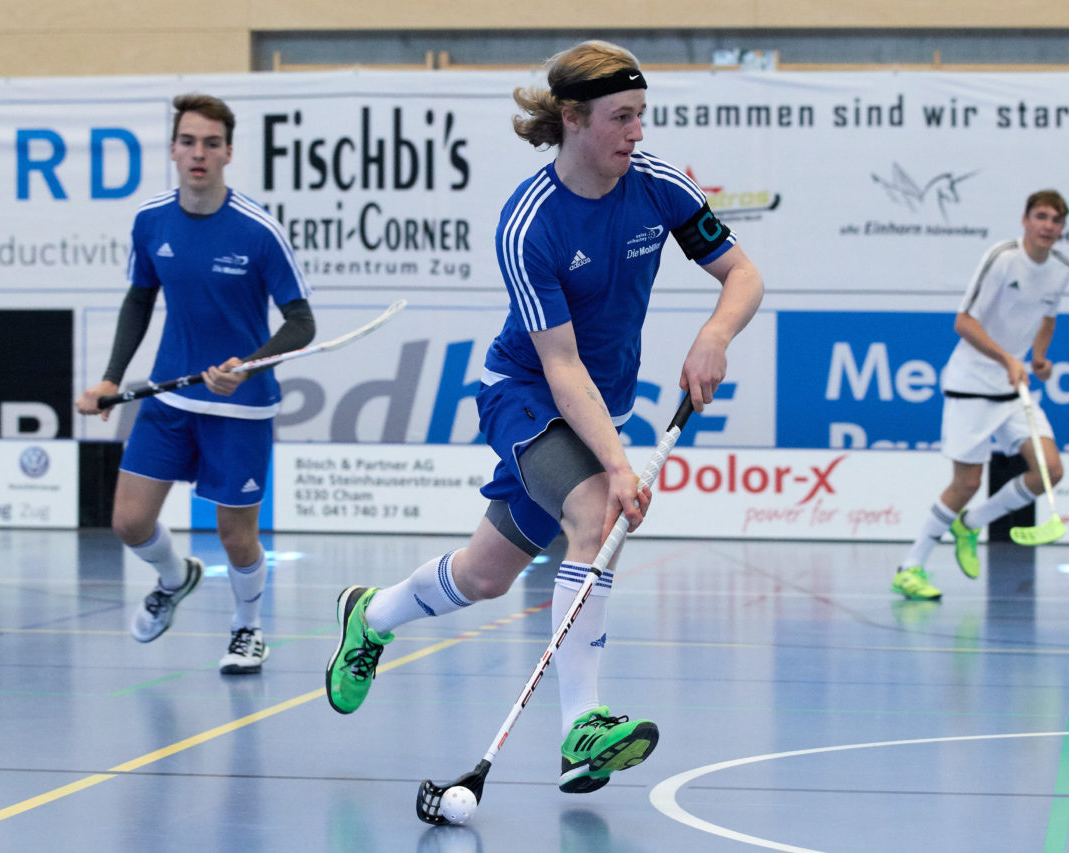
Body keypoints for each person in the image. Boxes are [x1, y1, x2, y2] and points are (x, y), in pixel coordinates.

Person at [325, 40, 763, 794]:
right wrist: (619, 465)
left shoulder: (657, 186)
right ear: (573, 117)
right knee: (599, 515)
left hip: (596, 404)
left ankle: (371, 615)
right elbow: (560, 367)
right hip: (525, 393)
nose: (637, 133)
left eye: (641, 116)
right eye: (621, 118)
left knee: (485, 575)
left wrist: (714, 334)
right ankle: (579, 730)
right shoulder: (530, 224)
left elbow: (743, 274)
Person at [76, 93, 314, 673]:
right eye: (188, 141)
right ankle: (174, 576)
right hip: (169, 396)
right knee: (129, 522)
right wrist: (110, 378)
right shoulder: (150, 219)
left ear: (228, 152)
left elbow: (301, 323)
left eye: (211, 143)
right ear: (174, 150)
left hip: (241, 406)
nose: (198, 153)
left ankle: (247, 628)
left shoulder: (259, 231)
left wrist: (249, 363)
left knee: (236, 537)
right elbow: (139, 298)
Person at [893, 189, 1069, 601]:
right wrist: (1009, 358)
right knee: (967, 483)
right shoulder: (1003, 258)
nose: (1048, 225)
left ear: (1062, 228)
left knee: (1050, 470)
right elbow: (963, 323)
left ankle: (971, 525)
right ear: (1025, 220)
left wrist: (1039, 359)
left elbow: (1047, 317)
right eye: (1041, 216)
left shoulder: (1061, 269)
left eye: (1056, 220)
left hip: (1013, 390)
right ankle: (910, 568)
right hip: (971, 384)